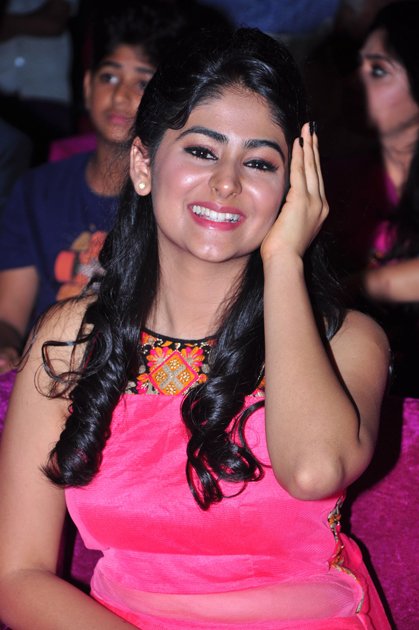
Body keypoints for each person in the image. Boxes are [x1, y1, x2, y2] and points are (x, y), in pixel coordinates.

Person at [0, 27, 390, 629]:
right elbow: (16, 575)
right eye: (203, 151)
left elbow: (314, 471)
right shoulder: (69, 340)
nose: (227, 182)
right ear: (143, 164)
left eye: (259, 162)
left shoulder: (345, 340)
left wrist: (284, 261)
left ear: (293, 189)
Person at [0, 0, 186, 373]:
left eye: (142, 83)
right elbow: (9, 315)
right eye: (109, 77)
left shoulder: (173, 199)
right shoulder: (37, 190)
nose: (120, 96)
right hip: (43, 372)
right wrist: (4, 347)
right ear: (87, 86)